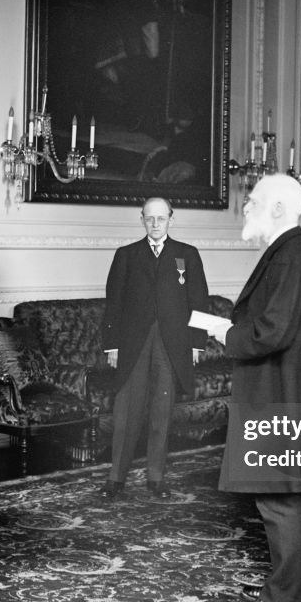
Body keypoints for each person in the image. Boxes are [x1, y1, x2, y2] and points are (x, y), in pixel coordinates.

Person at [210, 174, 301, 602]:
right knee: (282, 495)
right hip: (290, 388)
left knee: (278, 496)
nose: (245, 207)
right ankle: (285, 588)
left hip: (282, 394)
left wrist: (227, 332)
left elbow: (272, 332)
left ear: (279, 208)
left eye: (254, 201)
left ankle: (283, 597)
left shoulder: (289, 257)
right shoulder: (297, 252)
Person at [101, 196, 209, 498]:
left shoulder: (187, 255)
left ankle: (156, 477)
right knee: (127, 410)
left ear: (171, 220)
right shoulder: (126, 255)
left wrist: (196, 344)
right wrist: (112, 345)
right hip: (133, 342)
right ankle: (116, 477)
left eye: (161, 218)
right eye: (150, 218)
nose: (156, 223)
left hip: (173, 343)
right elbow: (114, 304)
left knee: (163, 410)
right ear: (142, 219)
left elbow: (199, 300)